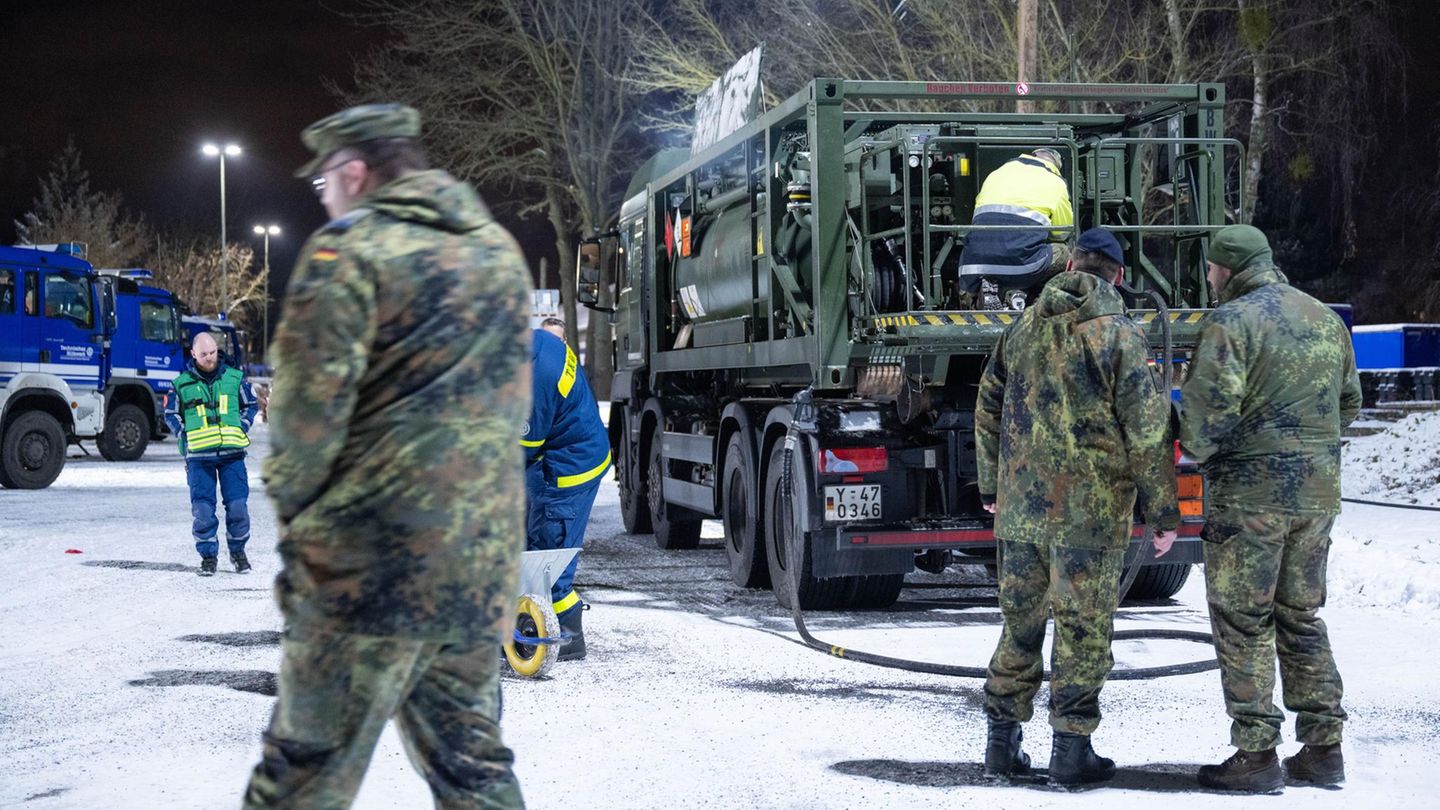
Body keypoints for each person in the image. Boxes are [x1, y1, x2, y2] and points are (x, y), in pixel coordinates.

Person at [243, 104, 533, 809]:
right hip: (476, 568)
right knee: (475, 770)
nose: (324, 197)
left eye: (324, 184)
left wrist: (302, 531)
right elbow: (509, 408)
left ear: (355, 171)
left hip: (368, 571)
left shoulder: (350, 252)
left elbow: (306, 424)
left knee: (303, 775)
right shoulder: (497, 253)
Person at [975, 228, 1180, 785]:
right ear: (1115, 274)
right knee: (1083, 628)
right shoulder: (1118, 336)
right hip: (1088, 515)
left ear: (1069, 268)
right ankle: (1070, 751)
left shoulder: (1022, 328)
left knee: (1020, 624)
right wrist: (1162, 514)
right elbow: (1148, 429)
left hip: (1020, 510)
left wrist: (991, 486)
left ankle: (1001, 744)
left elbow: (988, 402)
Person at [1178, 224, 1361, 793]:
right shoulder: (1325, 318)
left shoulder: (1230, 322)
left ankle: (1256, 755)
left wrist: (1187, 448)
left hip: (1251, 499)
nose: (1209, 278)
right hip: (1317, 497)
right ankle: (1323, 748)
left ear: (1226, 269)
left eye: (1210, 269)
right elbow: (1349, 405)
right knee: (1301, 617)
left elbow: (1206, 424)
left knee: (1243, 619)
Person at [521, 324, 610, 660]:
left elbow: (521, 451)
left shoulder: (535, 377)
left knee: (546, 557)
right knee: (536, 548)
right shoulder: (540, 342)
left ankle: (567, 636)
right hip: (571, 451)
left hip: (566, 470)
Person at [165, 331, 258, 576]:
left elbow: (251, 405)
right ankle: (208, 557)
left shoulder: (235, 378)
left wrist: (243, 425)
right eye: (204, 354)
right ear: (193, 354)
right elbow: (170, 413)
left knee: (238, 506)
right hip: (199, 459)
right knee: (203, 510)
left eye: (213, 352)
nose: (209, 358)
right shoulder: (181, 384)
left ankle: (238, 553)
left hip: (232, 456)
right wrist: (183, 435)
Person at [957, 147, 1075, 309]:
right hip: (1020, 265)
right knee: (1065, 252)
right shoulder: (1055, 181)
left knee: (977, 245)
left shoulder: (996, 173)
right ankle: (1034, 302)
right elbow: (1062, 233)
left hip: (975, 266)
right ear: (1055, 165)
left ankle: (977, 298)